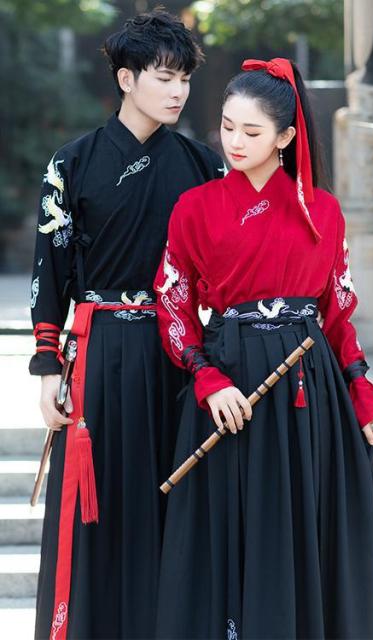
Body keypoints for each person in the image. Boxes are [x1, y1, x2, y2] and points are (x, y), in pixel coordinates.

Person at [153, 57, 373, 639]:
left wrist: (362, 388)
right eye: (227, 127)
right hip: (231, 385)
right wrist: (207, 378)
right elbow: (173, 302)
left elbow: (336, 312)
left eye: (251, 131)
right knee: (238, 529)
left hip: (310, 390)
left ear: (286, 137)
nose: (234, 142)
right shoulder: (195, 207)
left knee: (310, 524)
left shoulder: (324, 211)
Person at [30, 10, 224, 638]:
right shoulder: (71, 164)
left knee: (175, 498)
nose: (178, 91)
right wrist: (47, 368)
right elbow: (50, 273)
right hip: (100, 353)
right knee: (98, 505)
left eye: (185, 79)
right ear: (125, 78)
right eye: (164, 77)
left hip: (179, 354)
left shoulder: (205, 167)